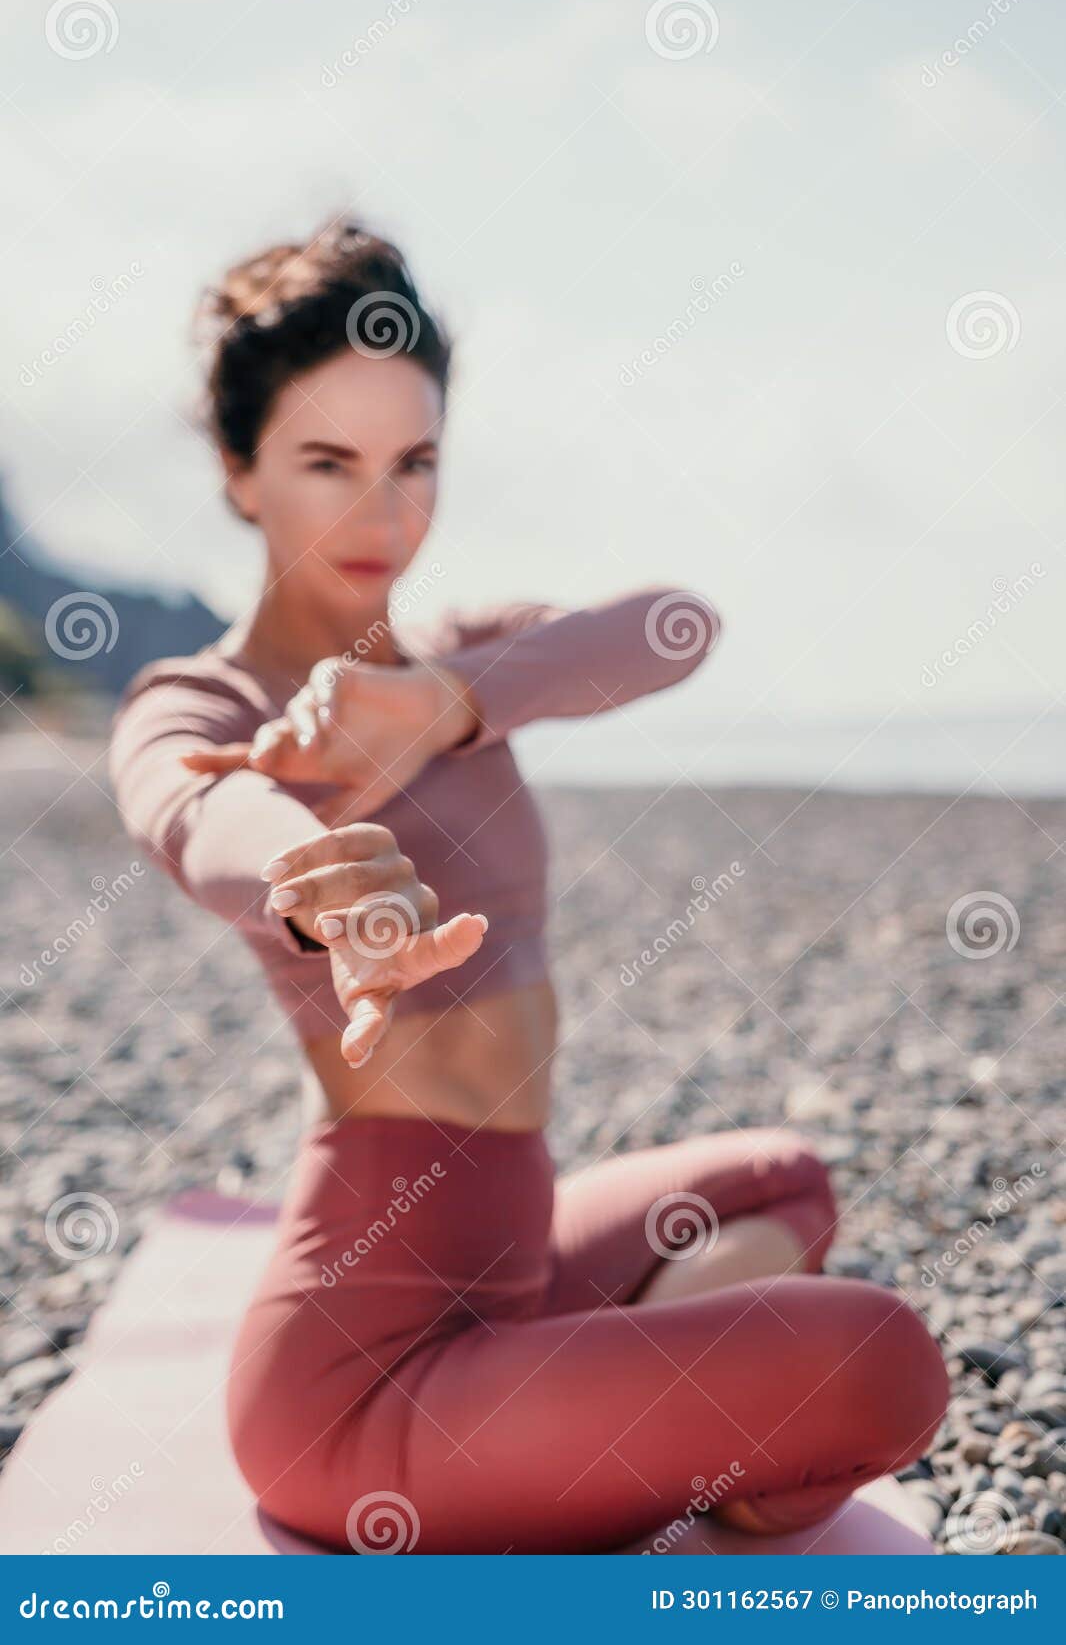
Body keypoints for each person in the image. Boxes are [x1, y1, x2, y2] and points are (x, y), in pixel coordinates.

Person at [108, 214, 948, 1554]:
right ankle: (595, 1435)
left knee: (785, 1180)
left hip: (514, 1258)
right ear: (238, 468)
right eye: (327, 463)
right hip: (355, 1391)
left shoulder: (458, 654)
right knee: (886, 1361)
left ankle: (570, 1415)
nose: (383, 514)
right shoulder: (200, 699)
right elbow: (198, 809)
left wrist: (439, 703)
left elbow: (676, 629)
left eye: (414, 462)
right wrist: (319, 881)